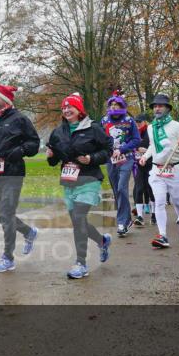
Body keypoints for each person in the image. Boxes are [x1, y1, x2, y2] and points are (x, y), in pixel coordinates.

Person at [0, 84, 41, 273]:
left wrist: (20, 150)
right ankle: (28, 232)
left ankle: (8, 257)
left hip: (13, 173)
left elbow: (34, 143)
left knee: (6, 211)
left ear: (5, 99)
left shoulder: (20, 119)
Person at [47, 92, 113, 279]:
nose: (67, 110)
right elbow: (54, 159)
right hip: (69, 182)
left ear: (79, 110)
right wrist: (51, 157)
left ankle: (81, 263)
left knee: (78, 218)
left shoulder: (93, 129)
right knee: (79, 221)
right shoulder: (58, 132)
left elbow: (108, 150)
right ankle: (102, 241)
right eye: (64, 107)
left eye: (71, 107)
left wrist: (91, 158)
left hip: (89, 179)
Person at [138, 94, 179, 248]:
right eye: (155, 106)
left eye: (160, 106)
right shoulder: (150, 127)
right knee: (159, 202)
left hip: (175, 169)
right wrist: (146, 157)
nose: (157, 108)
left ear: (168, 108)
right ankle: (163, 235)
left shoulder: (177, 126)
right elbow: (152, 147)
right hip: (157, 170)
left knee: (176, 201)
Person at [100, 90, 140, 237]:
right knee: (116, 190)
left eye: (117, 105)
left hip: (126, 158)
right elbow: (100, 139)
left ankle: (121, 222)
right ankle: (127, 219)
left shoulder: (129, 121)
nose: (114, 107)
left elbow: (136, 140)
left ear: (122, 106)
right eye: (112, 105)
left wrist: (122, 149)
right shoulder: (104, 121)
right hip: (111, 160)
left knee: (122, 188)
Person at [131, 113, 154, 227]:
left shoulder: (150, 131)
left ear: (145, 122)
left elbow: (156, 146)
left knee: (150, 189)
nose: (138, 124)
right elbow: (130, 144)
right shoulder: (134, 132)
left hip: (150, 164)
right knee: (139, 188)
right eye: (136, 122)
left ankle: (154, 214)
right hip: (138, 165)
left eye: (140, 122)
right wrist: (136, 149)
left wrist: (146, 151)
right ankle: (139, 216)